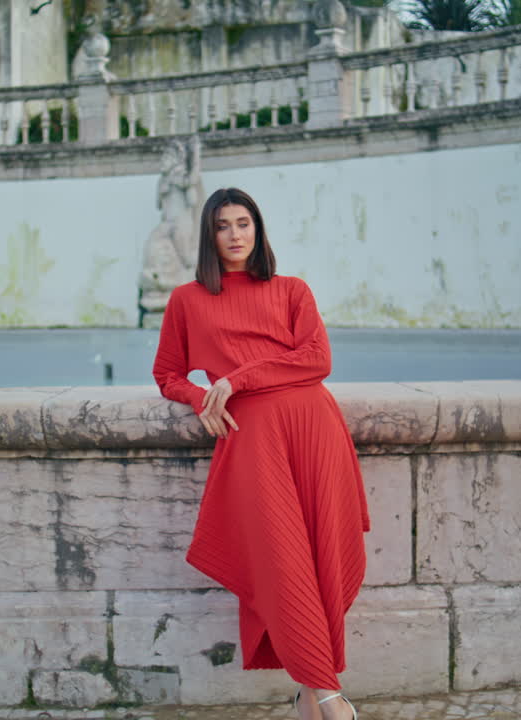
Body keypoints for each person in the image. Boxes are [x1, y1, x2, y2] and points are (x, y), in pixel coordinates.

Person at [152, 187, 370, 720]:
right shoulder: (187, 299)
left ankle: (309, 695)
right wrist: (204, 396)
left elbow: (317, 360)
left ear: (258, 229)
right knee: (281, 563)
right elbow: (166, 375)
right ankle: (329, 696)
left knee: (321, 559)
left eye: (243, 223)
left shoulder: (292, 289)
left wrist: (236, 378)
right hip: (254, 441)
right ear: (209, 235)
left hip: (314, 428)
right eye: (223, 225)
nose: (234, 235)